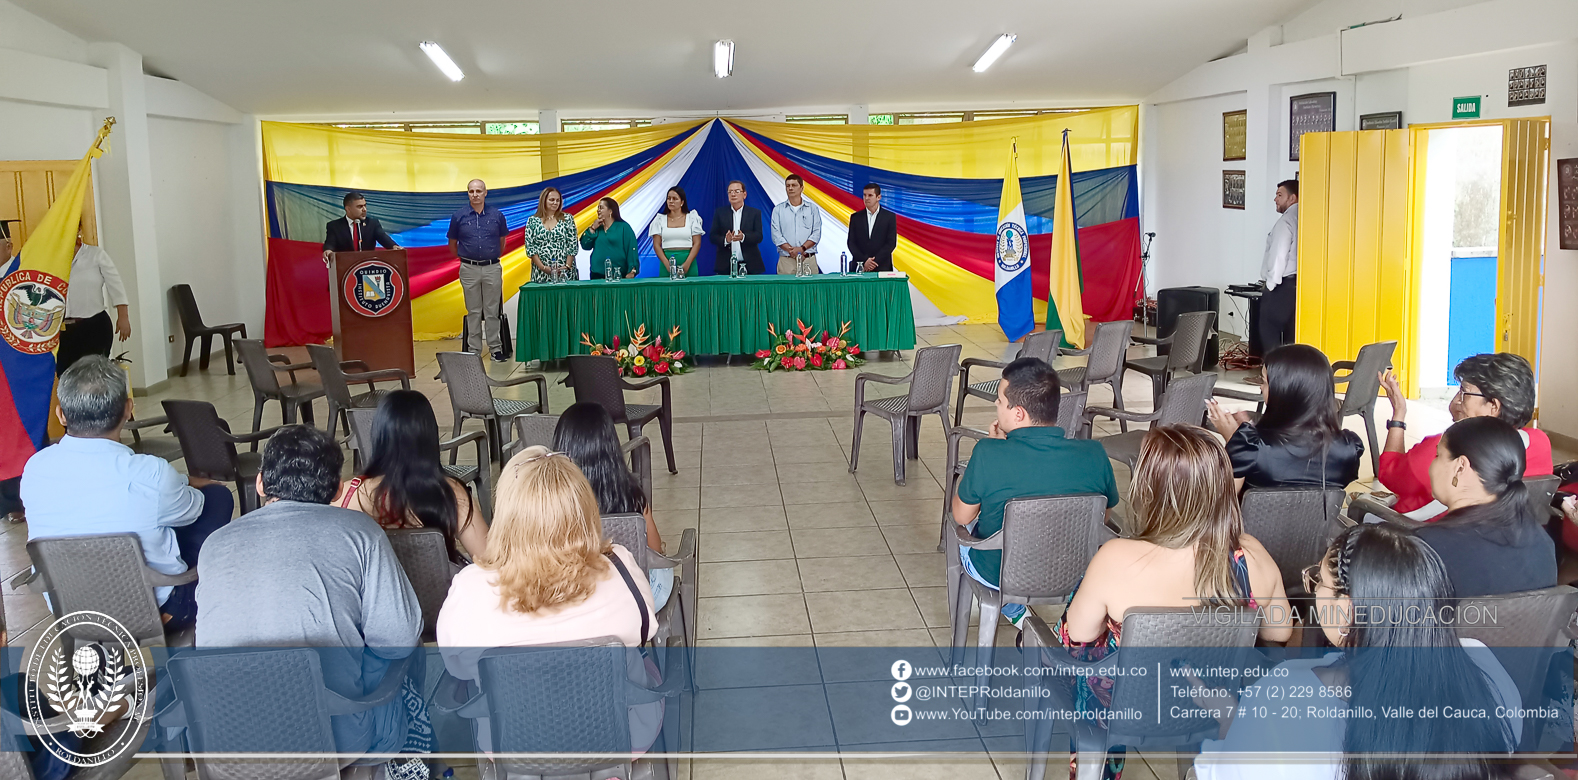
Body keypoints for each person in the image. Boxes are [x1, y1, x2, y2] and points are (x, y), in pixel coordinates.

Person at [1192, 523, 1521, 780]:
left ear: (1346, 610)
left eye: (1318, 581)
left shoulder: (1282, 698)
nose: (1313, 590)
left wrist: (1232, 720)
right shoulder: (1485, 666)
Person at [1054, 424, 1291, 780]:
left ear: (1150, 491)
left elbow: (1080, 637)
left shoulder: (1116, 557)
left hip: (1124, 709)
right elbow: (1280, 630)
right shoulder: (1252, 556)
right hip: (1208, 704)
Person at [196, 425, 429, 772]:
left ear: (260, 483)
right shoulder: (360, 533)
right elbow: (398, 641)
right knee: (411, 658)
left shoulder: (215, 543)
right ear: (337, 489)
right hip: (334, 738)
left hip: (229, 741)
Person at [436, 446, 660, 753]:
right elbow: (646, 629)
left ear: (506, 513)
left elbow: (457, 666)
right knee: (645, 666)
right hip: (619, 740)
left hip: (512, 747)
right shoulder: (618, 566)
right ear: (584, 509)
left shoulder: (470, 586)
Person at [21, 355, 233, 630]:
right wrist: (190, 483)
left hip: (70, 611)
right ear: (128, 409)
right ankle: (182, 604)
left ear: (61, 414)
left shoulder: (36, 467)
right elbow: (192, 510)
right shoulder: (150, 473)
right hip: (152, 611)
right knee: (216, 499)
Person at [952, 358, 1120, 628]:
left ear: (1018, 413)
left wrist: (993, 454)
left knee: (962, 534)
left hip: (1001, 574)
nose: (996, 406)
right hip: (1080, 571)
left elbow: (961, 516)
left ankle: (1015, 609)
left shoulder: (987, 453)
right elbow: (1104, 517)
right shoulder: (1095, 453)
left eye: (999, 401)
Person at [1377, 352, 1551, 520]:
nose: (1457, 400)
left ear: (1493, 406)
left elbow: (1389, 474)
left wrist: (1398, 415)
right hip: (1495, 541)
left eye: (1464, 393)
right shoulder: (1539, 443)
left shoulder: (1446, 449)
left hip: (1422, 537)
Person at [334, 390, 488, 563]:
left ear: (378, 435)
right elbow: (488, 561)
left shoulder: (346, 495)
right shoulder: (452, 493)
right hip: (439, 589)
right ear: (430, 435)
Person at [1413, 416, 1557, 598]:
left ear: (1460, 467)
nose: (1432, 465)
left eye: (1438, 455)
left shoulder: (1428, 549)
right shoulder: (1542, 542)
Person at [552, 402, 671, 611]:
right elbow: (654, 550)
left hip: (575, 600)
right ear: (612, 446)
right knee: (662, 565)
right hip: (632, 599)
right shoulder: (631, 493)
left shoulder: (552, 500)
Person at [1207, 344, 1363, 491]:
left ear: (1284, 391)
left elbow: (1224, 502)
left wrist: (1234, 441)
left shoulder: (1251, 446)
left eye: (1264, 381)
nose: (1261, 388)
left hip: (1258, 521)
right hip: (1320, 521)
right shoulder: (1348, 448)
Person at [447, 179, 511, 361]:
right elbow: (452, 244)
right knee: (473, 311)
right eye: (471, 191)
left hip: (492, 267)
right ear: (467, 193)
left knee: (492, 310)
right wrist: (465, 258)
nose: (475, 194)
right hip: (468, 268)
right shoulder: (458, 216)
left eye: (478, 191)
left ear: (485, 193)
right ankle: (474, 351)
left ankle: (495, 349)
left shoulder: (497, 215)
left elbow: (502, 242)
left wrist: (491, 257)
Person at [56, 229, 131, 376]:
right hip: (64, 331)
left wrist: (123, 316)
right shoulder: (52, 258)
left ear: (78, 230)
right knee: (67, 377)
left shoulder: (95, 255)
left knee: (93, 376)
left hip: (94, 327)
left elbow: (116, 286)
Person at [1257, 179, 1299, 354]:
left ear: (1292, 198)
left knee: (1270, 335)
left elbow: (1278, 256)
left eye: (1280, 195)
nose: (1275, 199)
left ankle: (1272, 378)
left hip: (1281, 288)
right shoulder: (1306, 218)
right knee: (1292, 339)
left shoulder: (1286, 222)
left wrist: (1270, 286)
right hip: (1298, 287)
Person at [321, 190, 400, 263]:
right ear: (348, 209)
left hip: (367, 267)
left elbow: (383, 238)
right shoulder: (335, 226)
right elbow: (330, 243)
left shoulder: (372, 224)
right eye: (360, 207)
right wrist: (328, 251)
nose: (364, 209)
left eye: (365, 206)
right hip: (345, 267)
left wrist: (394, 246)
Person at [708, 180, 764, 275]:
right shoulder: (720, 213)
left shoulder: (754, 213)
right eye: (730, 192)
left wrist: (744, 237)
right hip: (725, 265)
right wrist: (726, 239)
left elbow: (759, 236)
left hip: (750, 264)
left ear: (744, 194)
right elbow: (712, 237)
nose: (733, 194)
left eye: (737, 191)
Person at [524, 186, 578, 284]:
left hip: (564, 273)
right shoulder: (532, 221)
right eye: (552, 200)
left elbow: (572, 245)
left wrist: (566, 266)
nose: (555, 203)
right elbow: (530, 248)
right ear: (544, 201)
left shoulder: (567, 219)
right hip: (541, 273)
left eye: (558, 200)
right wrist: (543, 268)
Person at [770, 173, 822, 275]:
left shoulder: (812, 209)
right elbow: (776, 235)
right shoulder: (778, 210)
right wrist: (792, 251)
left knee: (810, 290)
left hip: (808, 259)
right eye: (788, 186)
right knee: (786, 291)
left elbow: (816, 233)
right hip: (786, 260)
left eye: (794, 185)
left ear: (802, 188)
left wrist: (801, 249)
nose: (790, 188)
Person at [649, 186, 704, 277]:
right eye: (669, 198)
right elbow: (656, 245)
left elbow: (697, 243)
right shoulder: (659, 219)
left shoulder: (692, 218)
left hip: (688, 260)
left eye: (675, 199)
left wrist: (687, 264)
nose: (671, 201)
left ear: (682, 202)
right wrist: (667, 264)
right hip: (666, 260)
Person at [582, 197, 639, 280]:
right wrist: (593, 228)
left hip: (618, 275)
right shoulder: (597, 228)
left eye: (601, 208)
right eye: (598, 208)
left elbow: (631, 249)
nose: (598, 210)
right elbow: (585, 245)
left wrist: (632, 271)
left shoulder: (623, 227)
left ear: (610, 211)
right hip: (597, 275)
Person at [845, 182, 898, 272]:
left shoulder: (889, 217)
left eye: (870, 195)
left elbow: (891, 243)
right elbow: (851, 243)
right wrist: (864, 261)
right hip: (860, 267)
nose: (866, 198)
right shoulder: (855, 217)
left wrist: (874, 261)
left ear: (878, 197)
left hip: (882, 267)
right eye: (864, 195)